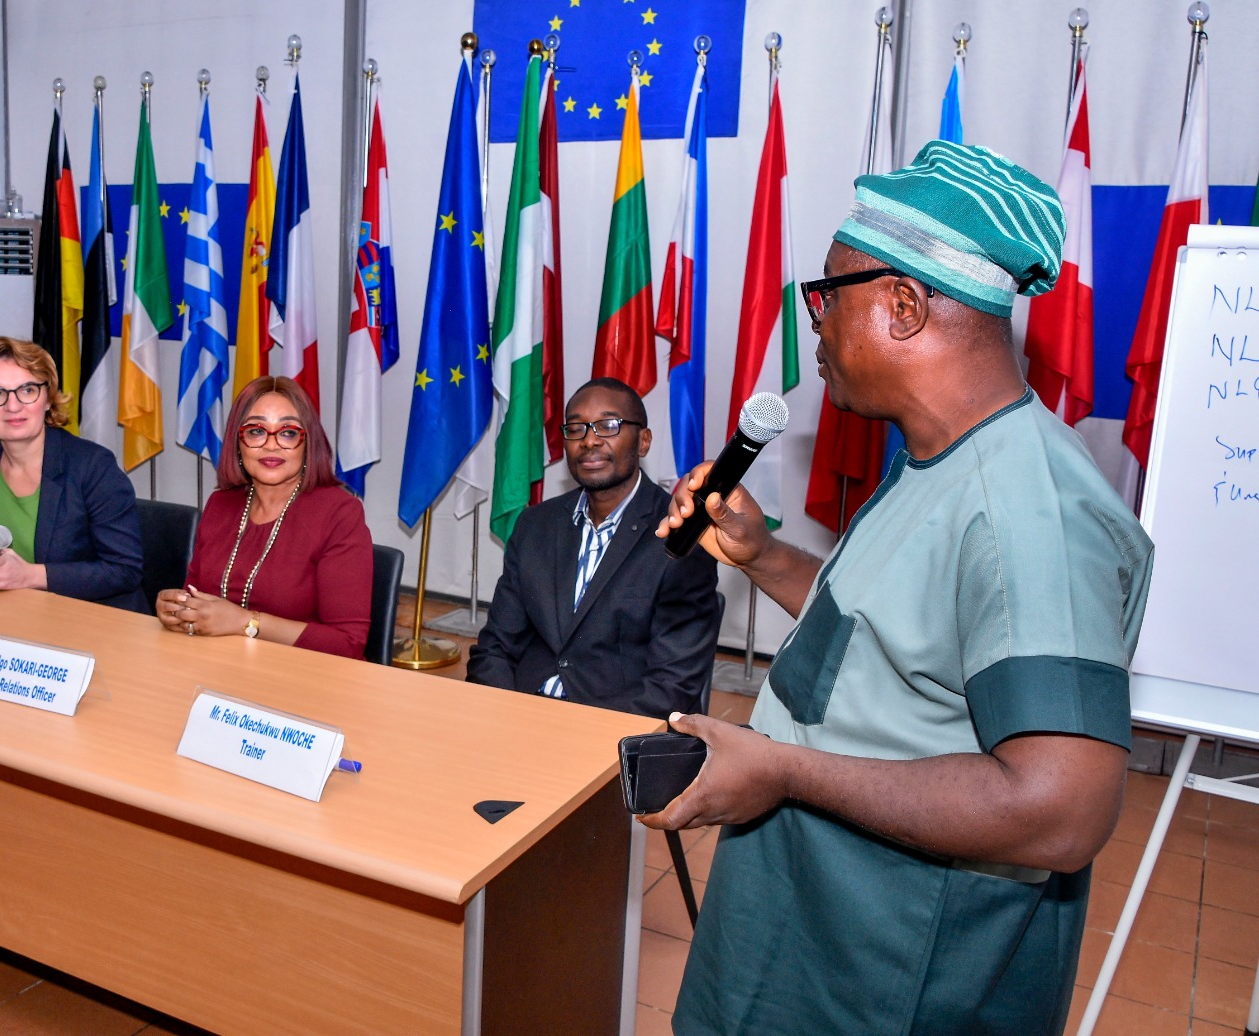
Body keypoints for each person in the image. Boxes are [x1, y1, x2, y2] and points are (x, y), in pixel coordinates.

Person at [648, 141, 1154, 1035]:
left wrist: (783, 771)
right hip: (810, 921)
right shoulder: (937, 454)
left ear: (904, 305)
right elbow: (888, 638)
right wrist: (764, 556)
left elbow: (1061, 811)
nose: (815, 325)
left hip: (894, 966)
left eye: (826, 297)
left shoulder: (1031, 512)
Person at [467, 378, 721, 718]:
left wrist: (575, 731)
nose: (589, 440)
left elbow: (670, 687)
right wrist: (502, 716)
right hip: (520, 715)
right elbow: (494, 649)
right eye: (576, 429)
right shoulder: (535, 526)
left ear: (643, 441)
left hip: (612, 729)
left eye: (608, 425)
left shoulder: (682, 537)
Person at [154, 376, 372, 659]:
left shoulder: (339, 514)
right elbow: (197, 599)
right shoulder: (221, 504)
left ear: (308, 444)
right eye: (257, 431)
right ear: (238, 443)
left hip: (307, 674)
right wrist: (179, 609)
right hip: (220, 666)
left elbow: (348, 644)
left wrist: (245, 622)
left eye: (288, 432)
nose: (271, 445)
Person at [0, 337, 146, 612]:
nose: (12, 406)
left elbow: (124, 570)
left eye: (27, 390)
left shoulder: (93, 466)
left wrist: (30, 576)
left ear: (47, 398)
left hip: (89, 620)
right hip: (5, 614)